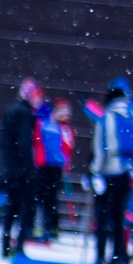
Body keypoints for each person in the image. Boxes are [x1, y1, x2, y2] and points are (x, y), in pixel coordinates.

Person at [88, 77, 133, 264]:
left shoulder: (106, 117)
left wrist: (94, 173)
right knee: (120, 215)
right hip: (127, 172)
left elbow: (100, 148)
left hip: (108, 172)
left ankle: (100, 256)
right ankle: (118, 256)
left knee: (102, 216)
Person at [0, 78, 41, 257]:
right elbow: (24, 143)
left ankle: (6, 245)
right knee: (25, 208)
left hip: (10, 168)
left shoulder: (11, 110)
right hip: (21, 170)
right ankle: (20, 246)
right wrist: (29, 168)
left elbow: (5, 142)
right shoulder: (24, 113)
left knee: (11, 208)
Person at [46, 97, 79, 241]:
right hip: (48, 166)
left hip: (58, 168)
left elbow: (68, 147)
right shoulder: (51, 125)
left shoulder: (67, 129)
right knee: (47, 198)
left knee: (52, 198)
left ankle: (52, 227)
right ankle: (48, 226)